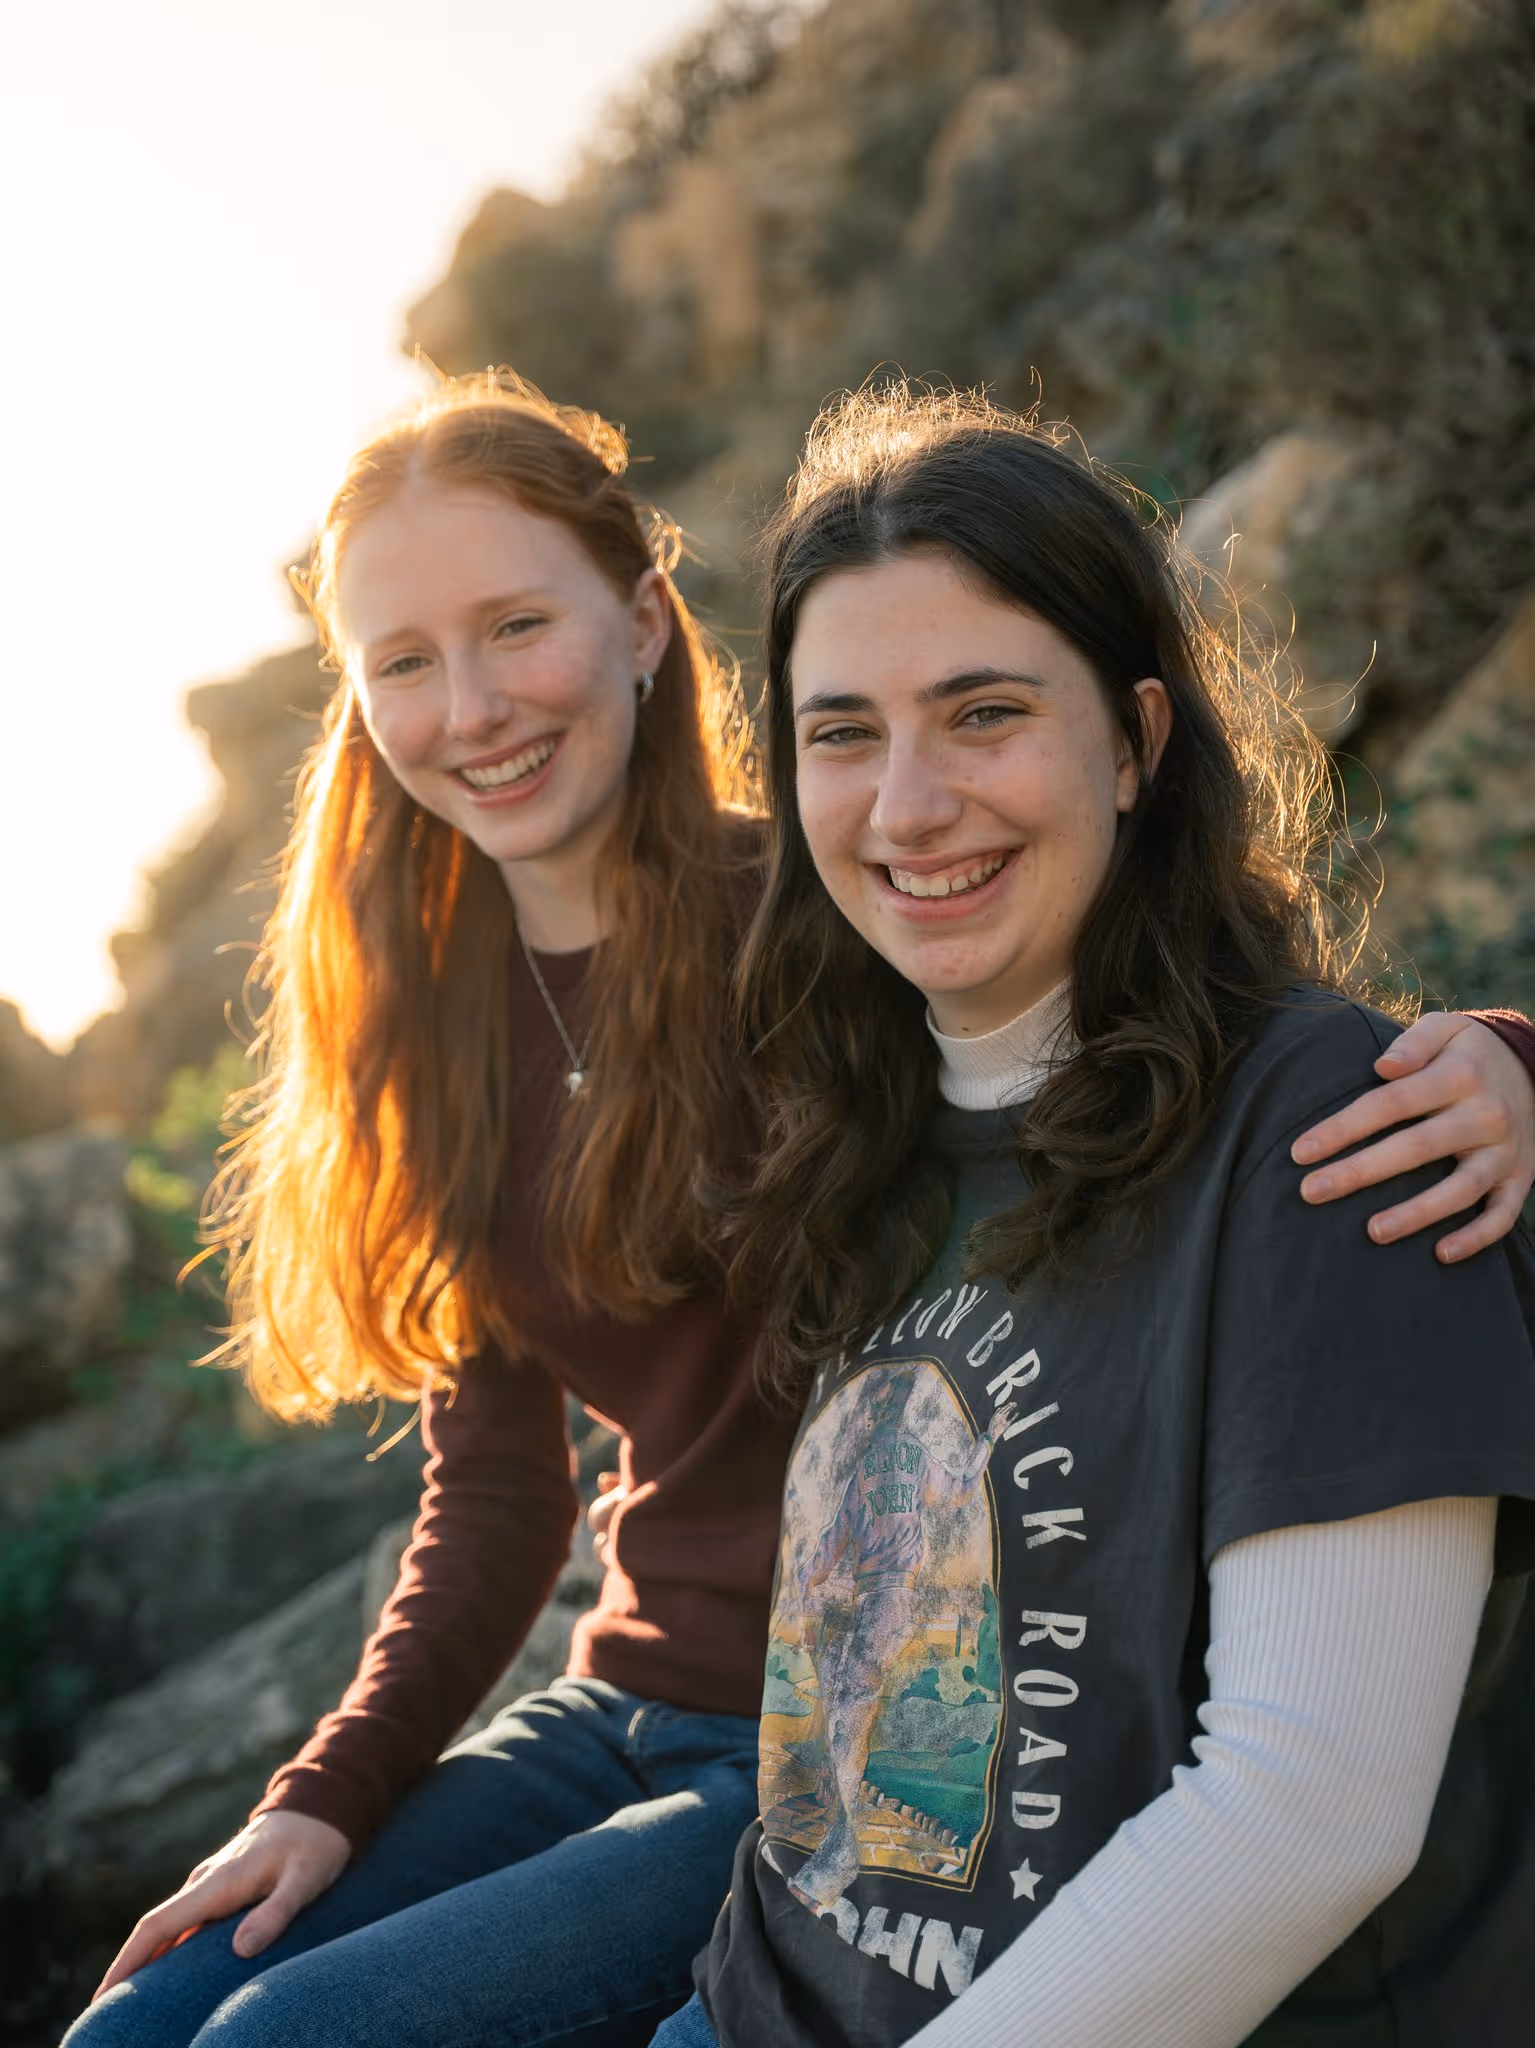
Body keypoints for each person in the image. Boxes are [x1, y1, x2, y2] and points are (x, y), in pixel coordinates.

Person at [66, 374, 1535, 2048]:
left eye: (512, 627)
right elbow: (488, 1487)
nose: (468, 706)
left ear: (637, 624)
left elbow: (1175, 1036)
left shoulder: (830, 924)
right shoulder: (466, 1021)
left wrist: (1492, 1061)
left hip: (834, 1732)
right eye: (401, 658)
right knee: (132, 2031)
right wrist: (319, 1797)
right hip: (657, 1716)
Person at [661, 386, 1535, 2048]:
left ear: (1134, 744)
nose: (905, 807)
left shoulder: (1330, 1121)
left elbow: (1310, 1809)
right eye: (840, 732)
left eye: (981, 713)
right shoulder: (857, 1132)